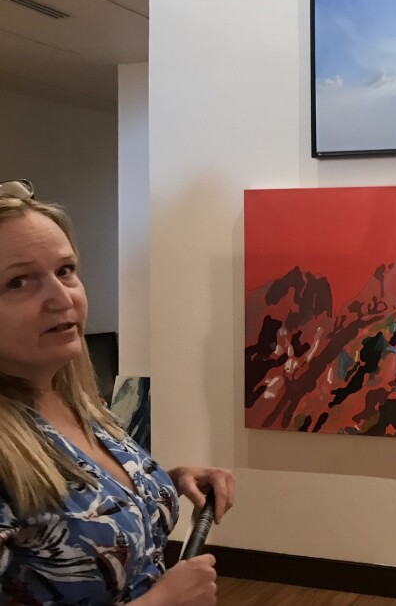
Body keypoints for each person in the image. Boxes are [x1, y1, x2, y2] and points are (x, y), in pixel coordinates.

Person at [0, 180, 235, 605]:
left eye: (65, 270)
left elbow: (78, 500)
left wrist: (163, 481)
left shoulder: (77, 401)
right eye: (19, 282)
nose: (61, 297)